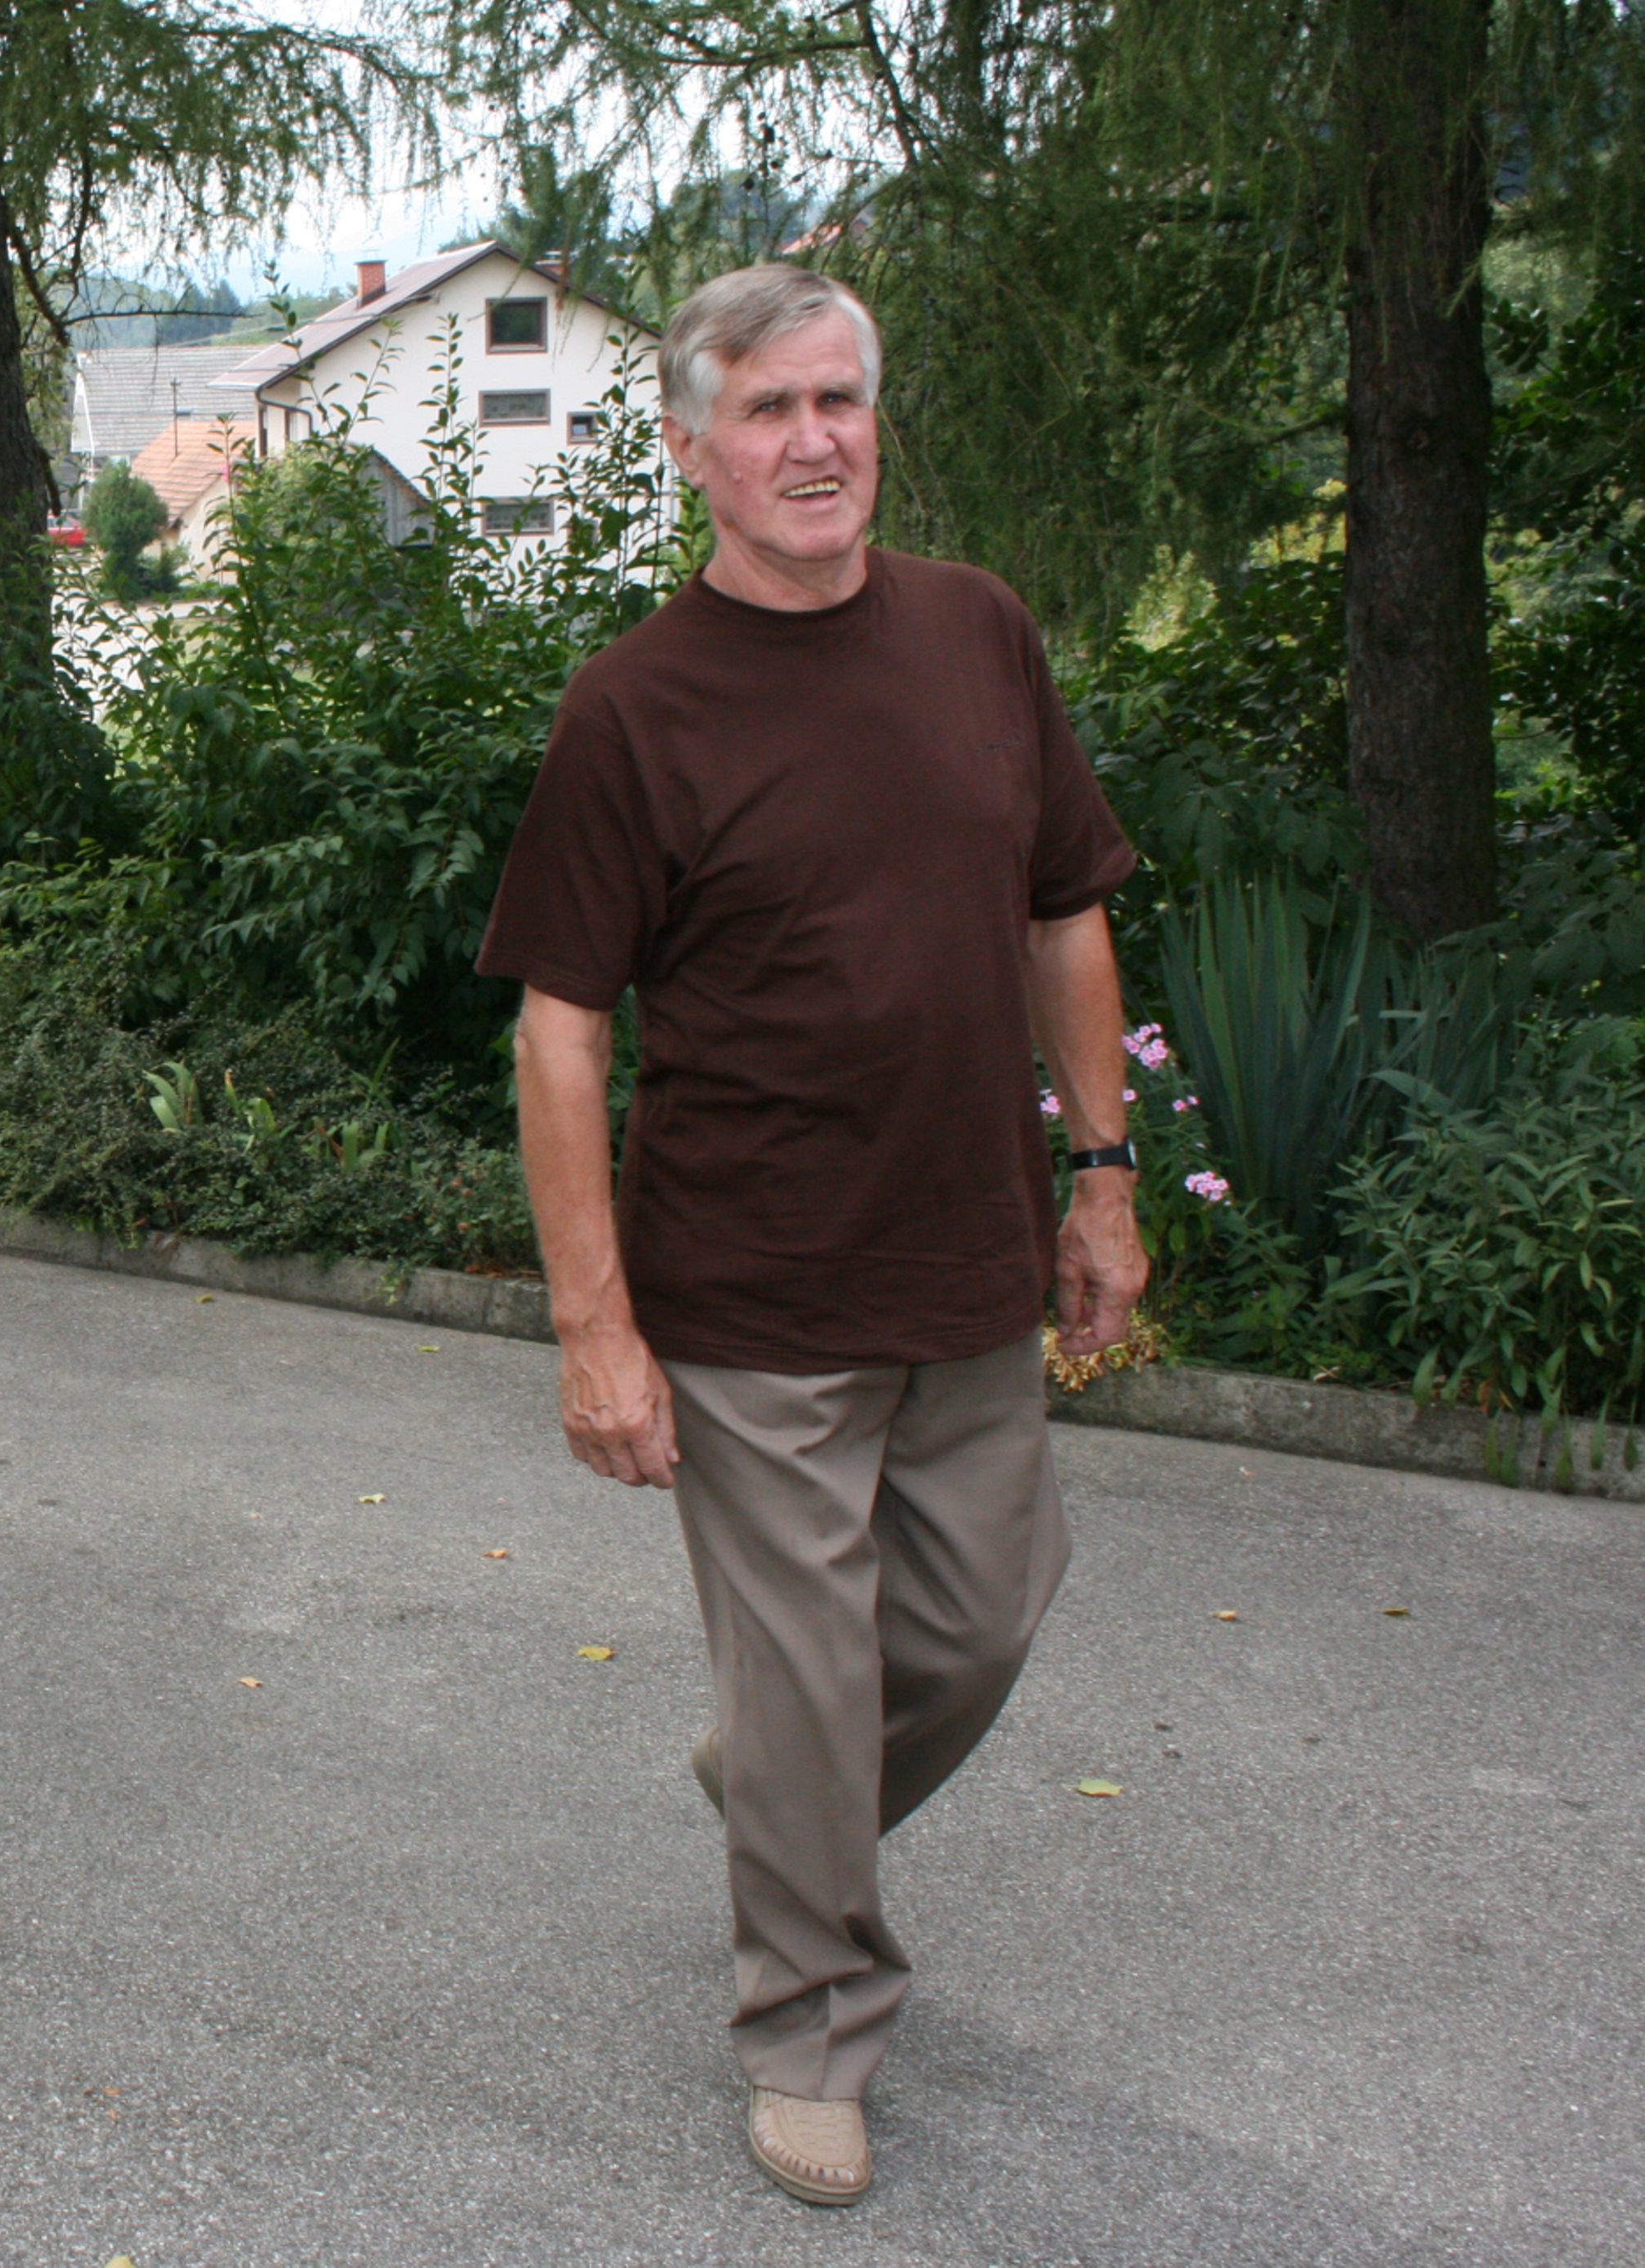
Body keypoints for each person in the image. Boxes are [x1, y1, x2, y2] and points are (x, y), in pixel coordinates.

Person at [475, 265, 1147, 2208]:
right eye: (769, 409)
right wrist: (596, 1328)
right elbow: (562, 1033)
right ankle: (810, 2025)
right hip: (752, 1290)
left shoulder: (978, 632)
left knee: (980, 1619)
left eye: (839, 398)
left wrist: (1105, 1175)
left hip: (969, 1255)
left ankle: (784, 1783)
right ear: (692, 446)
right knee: (804, 1676)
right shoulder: (635, 707)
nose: (814, 440)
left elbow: (1064, 914)